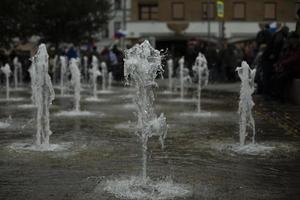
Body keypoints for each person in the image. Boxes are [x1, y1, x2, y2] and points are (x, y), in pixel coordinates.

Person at [261, 26, 289, 98]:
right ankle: (267, 94)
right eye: (287, 31)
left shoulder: (278, 35)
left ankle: (267, 93)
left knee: (267, 76)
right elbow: (276, 45)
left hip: (267, 58)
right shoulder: (280, 36)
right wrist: (274, 54)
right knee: (268, 75)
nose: (288, 32)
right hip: (269, 58)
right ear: (284, 30)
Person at [272, 32, 300, 102]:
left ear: (295, 39)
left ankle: (281, 97)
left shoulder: (298, 48)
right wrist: (278, 63)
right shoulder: (290, 48)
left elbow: (295, 58)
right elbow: (285, 57)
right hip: (289, 69)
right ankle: (277, 95)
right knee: (275, 76)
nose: (290, 41)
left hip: (296, 70)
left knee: (281, 78)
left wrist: (283, 63)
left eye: (291, 39)